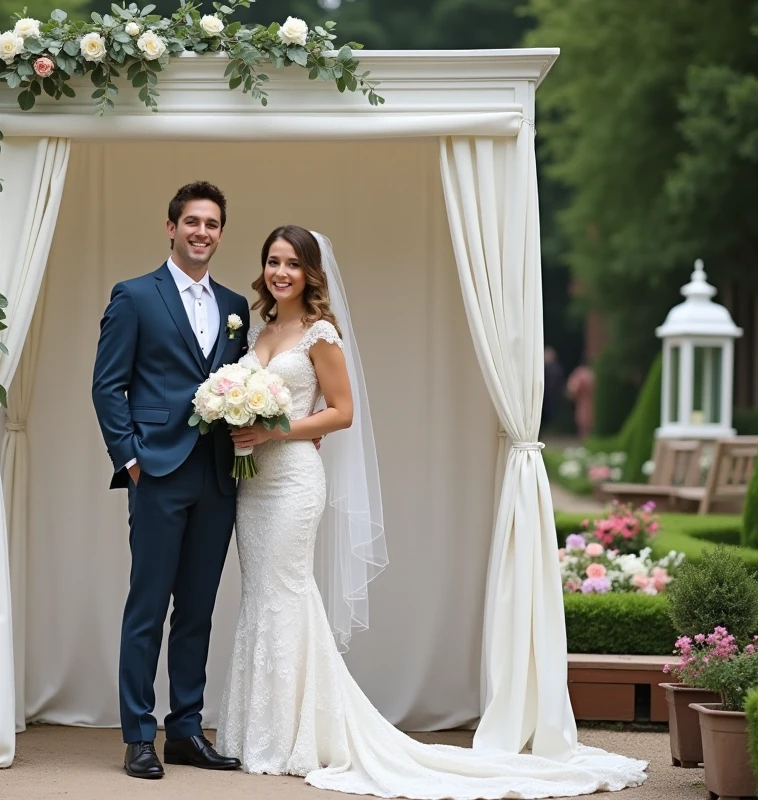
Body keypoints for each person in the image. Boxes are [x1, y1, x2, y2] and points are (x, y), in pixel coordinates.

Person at [215, 225, 648, 798]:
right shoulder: (261, 329)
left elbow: (342, 413)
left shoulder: (321, 333)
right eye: (273, 261)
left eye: (292, 263)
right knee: (260, 595)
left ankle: (297, 736)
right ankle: (258, 732)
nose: (280, 272)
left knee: (287, 593)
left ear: (310, 272)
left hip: (293, 480)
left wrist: (274, 429)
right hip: (254, 485)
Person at [91, 181, 248, 779]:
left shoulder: (236, 304)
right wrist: (130, 459)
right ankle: (138, 735)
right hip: (156, 471)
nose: (201, 232)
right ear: (171, 227)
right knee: (148, 606)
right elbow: (108, 385)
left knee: (200, 610)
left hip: (217, 476)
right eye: (192, 222)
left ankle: (185, 730)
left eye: (212, 224)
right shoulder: (134, 296)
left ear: (220, 232)